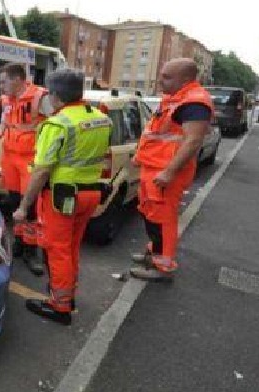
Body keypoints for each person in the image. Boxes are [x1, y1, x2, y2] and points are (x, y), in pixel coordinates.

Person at [13, 68, 111, 325]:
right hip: (90, 193)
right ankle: (68, 293)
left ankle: (60, 306)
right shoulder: (100, 118)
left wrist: (24, 207)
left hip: (63, 196)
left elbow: (42, 169)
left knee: (57, 250)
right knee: (71, 248)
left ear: (55, 95)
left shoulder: (57, 123)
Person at [130, 58, 214, 282]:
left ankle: (163, 266)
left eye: (167, 77)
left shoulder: (195, 102)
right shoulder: (175, 98)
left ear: (185, 79)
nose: (161, 80)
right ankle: (154, 253)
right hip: (154, 168)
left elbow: (193, 141)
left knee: (163, 219)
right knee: (150, 213)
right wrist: (140, 158)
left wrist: (169, 172)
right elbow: (156, 133)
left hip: (166, 173)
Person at [0, 63, 50, 276]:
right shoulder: (6, 100)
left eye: (3, 81)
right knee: (14, 202)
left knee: (30, 207)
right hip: (10, 158)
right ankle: (19, 242)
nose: (1, 86)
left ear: (17, 79)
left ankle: (31, 249)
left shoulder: (39, 97)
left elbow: (55, 123)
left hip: (30, 159)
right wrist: (0, 131)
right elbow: (5, 121)